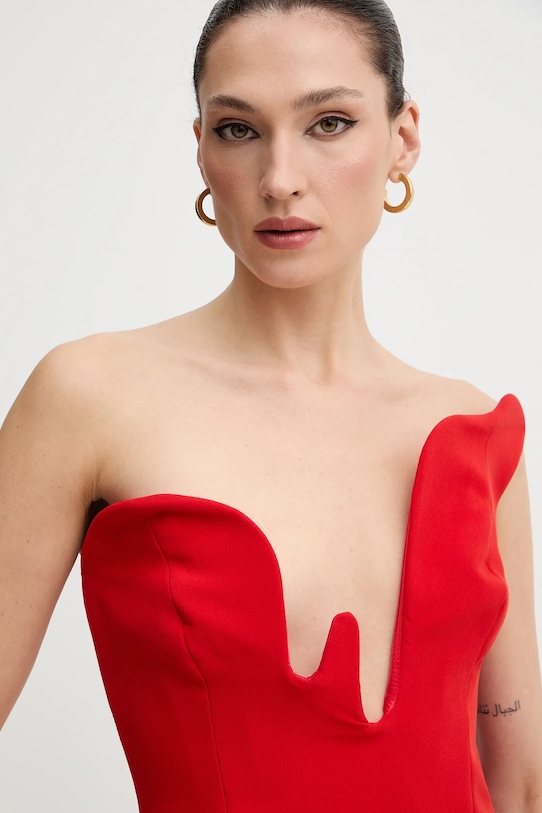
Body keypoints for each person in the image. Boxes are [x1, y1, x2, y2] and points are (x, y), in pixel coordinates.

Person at [1, 0, 541, 809]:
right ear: (202, 151)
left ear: (402, 138)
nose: (280, 177)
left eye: (329, 123)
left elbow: (522, 784)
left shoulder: (473, 434)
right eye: (239, 129)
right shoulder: (89, 398)